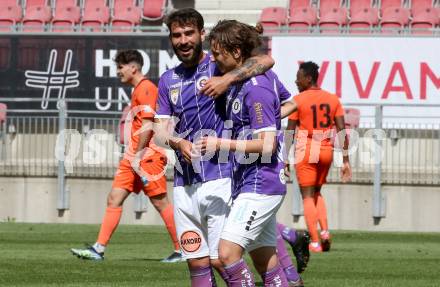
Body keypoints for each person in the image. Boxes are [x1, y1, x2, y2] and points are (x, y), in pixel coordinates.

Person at [154, 8, 276, 287]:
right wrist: (176, 141)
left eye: (189, 33)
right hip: (184, 184)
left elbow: (266, 60)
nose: (183, 40)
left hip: (221, 178)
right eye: (176, 35)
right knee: (196, 263)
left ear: (201, 34)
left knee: (222, 258)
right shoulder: (167, 80)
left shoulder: (218, 66)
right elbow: (159, 132)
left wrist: (226, 79)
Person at [197, 19, 298, 287]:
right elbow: (289, 103)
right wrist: (268, 124)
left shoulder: (256, 88)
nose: (214, 59)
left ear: (237, 53)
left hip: (260, 184)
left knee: (226, 255)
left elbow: (266, 145)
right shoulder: (246, 81)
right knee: (265, 259)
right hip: (250, 181)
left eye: (218, 53)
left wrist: (221, 143)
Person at [70, 50, 181, 263]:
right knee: (114, 198)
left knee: (161, 203)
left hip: (146, 157)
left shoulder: (147, 88)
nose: (118, 72)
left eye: (120, 67)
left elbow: (148, 124)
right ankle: (98, 249)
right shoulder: (138, 89)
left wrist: (138, 155)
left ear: (133, 67)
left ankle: (182, 249)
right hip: (134, 156)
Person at [285, 61, 352, 253]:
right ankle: (324, 232)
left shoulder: (297, 100)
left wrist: (286, 158)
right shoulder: (332, 99)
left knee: (306, 196)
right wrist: (346, 160)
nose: (296, 81)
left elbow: (290, 132)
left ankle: (315, 242)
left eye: (298, 78)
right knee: (317, 193)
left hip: (306, 150)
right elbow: (342, 131)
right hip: (326, 151)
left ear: (308, 78)